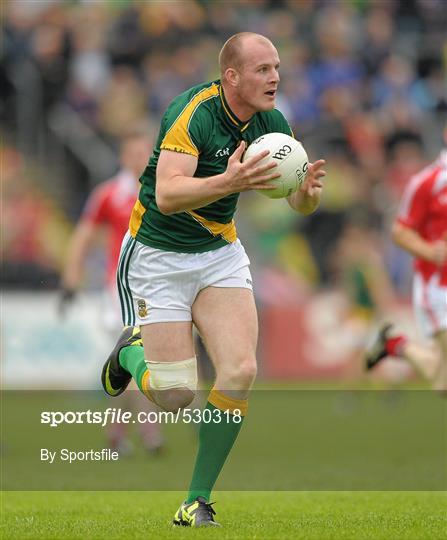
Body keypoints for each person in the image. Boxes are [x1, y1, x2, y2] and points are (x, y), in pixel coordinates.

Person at [101, 32, 326, 527]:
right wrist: (231, 181)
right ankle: (128, 352)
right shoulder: (192, 114)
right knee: (177, 395)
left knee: (241, 370)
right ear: (232, 76)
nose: (275, 78)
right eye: (263, 69)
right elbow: (167, 194)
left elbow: (294, 200)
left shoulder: (274, 122)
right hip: (157, 257)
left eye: (277, 68)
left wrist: (306, 193)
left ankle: (195, 501)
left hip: (218, 254)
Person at [60, 131, 163, 454]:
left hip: (158, 287)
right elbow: (83, 237)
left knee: (135, 364)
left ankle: (116, 434)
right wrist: (70, 280)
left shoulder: (165, 190)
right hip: (119, 290)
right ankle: (148, 431)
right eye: (132, 153)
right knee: (136, 360)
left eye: (143, 153)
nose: (138, 159)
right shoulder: (108, 194)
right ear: (123, 157)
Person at [365, 139, 447, 391]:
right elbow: (400, 231)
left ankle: (396, 344)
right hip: (438, 288)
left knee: (442, 382)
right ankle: (396, 344)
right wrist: (430, 252)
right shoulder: (428, 182)